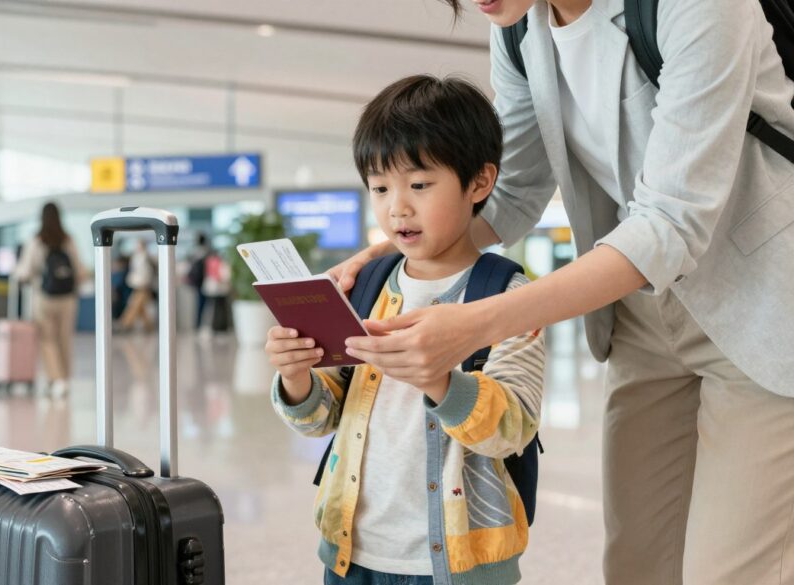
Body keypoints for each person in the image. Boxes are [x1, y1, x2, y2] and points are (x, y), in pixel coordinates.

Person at [332, 1, 794, 584]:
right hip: (642, 314)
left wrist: (478, 322)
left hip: (762, 306)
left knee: (731, 570)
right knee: (637, 564)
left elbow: (671, 223)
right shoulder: (523, 24)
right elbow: (511, 188)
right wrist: (394, 253)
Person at [268, 76, 547, 584]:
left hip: (462, 562)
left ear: (480, 182)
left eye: (419, 185)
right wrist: (296, 378)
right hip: (353, 553)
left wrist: (440, 381)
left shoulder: (509, 296)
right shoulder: (366, 285)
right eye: (379, 187)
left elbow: (514, 429)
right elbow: (322, 418)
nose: (397, 206)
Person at [14, 202, 86, 398]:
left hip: (43, 297)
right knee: (65, 339)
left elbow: (25, 271)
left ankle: (56, 380)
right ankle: (65, 379)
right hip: (68, 299)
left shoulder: (37, 241)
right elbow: (80, 270)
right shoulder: (68, 240)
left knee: (48, 340)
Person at [119, 239, 155, 333]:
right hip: (137, 284)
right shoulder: (136, 257)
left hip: (143, 285)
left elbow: (147, 272)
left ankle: (125, 324)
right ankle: (149, 327)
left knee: (134, 305)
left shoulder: (146, 257)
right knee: (140, 307)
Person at [187, 232, 211, 330]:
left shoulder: (194, 252)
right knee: (203, 304)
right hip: (204, 282)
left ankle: (198, 324)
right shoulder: (207, 252)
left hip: (198, 282)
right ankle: (200, 324)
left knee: (199, 303)